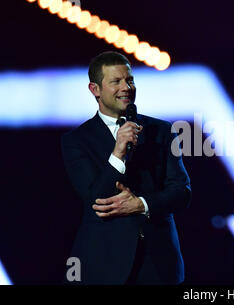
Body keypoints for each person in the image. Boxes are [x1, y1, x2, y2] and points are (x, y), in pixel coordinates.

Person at [61, 51, 191, 284]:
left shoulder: (161, 130)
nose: (126, 87)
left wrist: (141, 204)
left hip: (158, 262)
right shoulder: (76, 141)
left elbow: (182, 191)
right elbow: (95, 199)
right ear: (95, 89)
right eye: (116, 82)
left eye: (129, 80)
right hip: (104, 263)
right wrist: (118, 151)